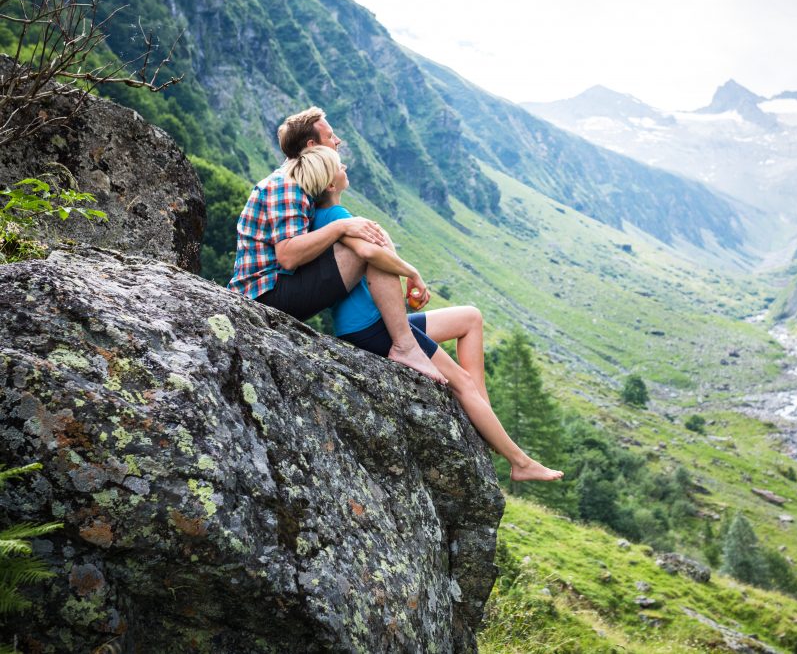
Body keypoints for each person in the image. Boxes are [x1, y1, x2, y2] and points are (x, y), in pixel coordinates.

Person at [291, 144, 563, 484]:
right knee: (459, 381)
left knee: (470, 317)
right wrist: (412, 273)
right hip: (371, 328)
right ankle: (519, 462)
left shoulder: (325, 217)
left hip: (380, 321)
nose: (345, 165)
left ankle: (482, 412)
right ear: (330, 185)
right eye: (338, 165)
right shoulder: (337, 218)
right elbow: (370, 254)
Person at [227, 107, 444, 383]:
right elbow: (288, 256)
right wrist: (343, 227)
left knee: (365, 238)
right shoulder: (287, 184)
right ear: (312, 146)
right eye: (331, 136)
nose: (338, 141)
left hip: (277, 287)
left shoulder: (301, 184)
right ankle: (405, 345)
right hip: (264, 295)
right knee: (365, 248)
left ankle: (400, 337)